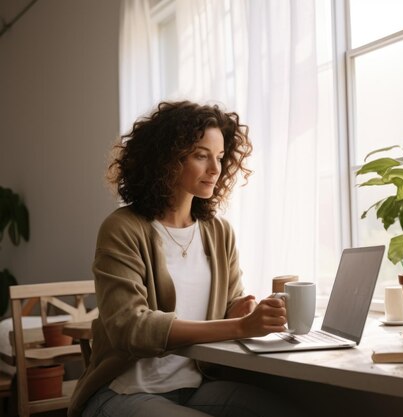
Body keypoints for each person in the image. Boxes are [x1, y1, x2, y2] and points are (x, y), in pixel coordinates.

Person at [69, 101, 299, 417]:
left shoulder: (219, 232)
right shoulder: (122, 228)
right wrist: (240, 325)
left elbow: (229, 305)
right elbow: (130, 326)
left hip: (194, 387)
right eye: (201, 155)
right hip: (123, 390)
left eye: (219, 157)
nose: (215, 169)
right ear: (165, 159)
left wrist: (245, 311)